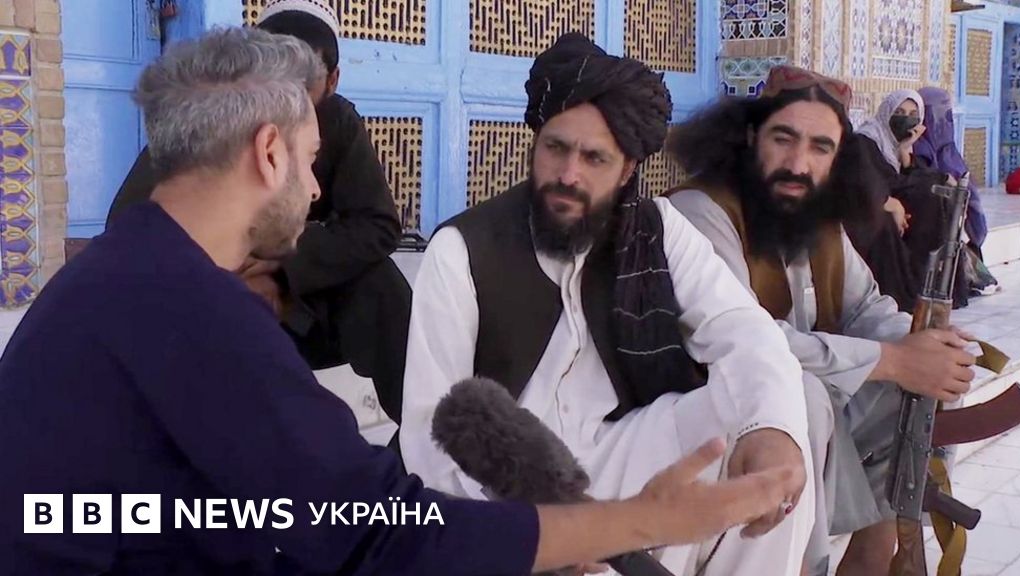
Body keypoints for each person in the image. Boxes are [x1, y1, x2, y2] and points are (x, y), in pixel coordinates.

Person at [0, 27, 799, 575]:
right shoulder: (191, 310)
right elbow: (381, 530)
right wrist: (642, 522)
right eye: (311, 160)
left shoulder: (122, 272)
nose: (317, 189)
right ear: (269, 153)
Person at [400, 33, 813, 575]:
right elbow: (431, 436)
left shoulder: (658, 229)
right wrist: (540, 536)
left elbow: (742, 328)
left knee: (773, 429)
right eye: (556, 148)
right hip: (514, 489)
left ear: (626, 170)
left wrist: (774, 432)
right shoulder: (461, 250)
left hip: (627, 451)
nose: (568, 175)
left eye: (594, 158)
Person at [666, 65, 976, 576]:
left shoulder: (817, 216)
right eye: (783, 139)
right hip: (712, 403)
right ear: (750, 137)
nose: (798, 163)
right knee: (803, 396)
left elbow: (865, 307)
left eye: (820, 147)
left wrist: (923, 344)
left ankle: (878, 549)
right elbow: (743, 338)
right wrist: (893, 359)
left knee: (926, 379)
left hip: (810, 400)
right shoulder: (701, 212)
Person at [106, 0, 411, 426]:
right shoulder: (213, 122)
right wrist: (229, 270)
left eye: (305, 80)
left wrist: (283, 265)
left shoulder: (338, 122)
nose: (289, 93)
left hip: (306, 295)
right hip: (213, 292)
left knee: (380, 284)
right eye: (277, 75)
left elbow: (377, 225)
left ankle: (427, 432)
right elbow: (133, 226)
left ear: (332, 81)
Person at [848, 89, 966, 311]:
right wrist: (890, 202)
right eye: (900, 112)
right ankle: (915, 286)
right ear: (887, 111)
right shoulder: (866, 140)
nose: (906, 119)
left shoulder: (895, 143)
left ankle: (933, 283)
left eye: (913, 114)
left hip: (891, 202)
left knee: (935, 198)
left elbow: (908, 176)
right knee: (927, 194)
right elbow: (875, 182)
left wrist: (905, 149)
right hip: (866, 206)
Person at [915, 86, 998, 296]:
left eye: (948, 114)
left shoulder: (947, 148)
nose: (946, 121)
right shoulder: (919, 147)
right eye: (940, 114)